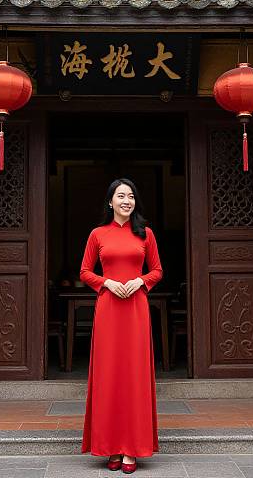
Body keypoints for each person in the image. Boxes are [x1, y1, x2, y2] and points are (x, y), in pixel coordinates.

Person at [80, 178, 163, 474]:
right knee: (109, 375)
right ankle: (110, 447)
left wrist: (140, 280)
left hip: (137, 310)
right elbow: (85, 271)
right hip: (109, 309)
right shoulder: (97, 234)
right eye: (120, 196)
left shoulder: (146, 234)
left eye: (130, 196)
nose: (126, 201)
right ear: (110, 202)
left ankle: (132, 448)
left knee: (134, 376)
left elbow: (157, 270)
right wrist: (107, 283)